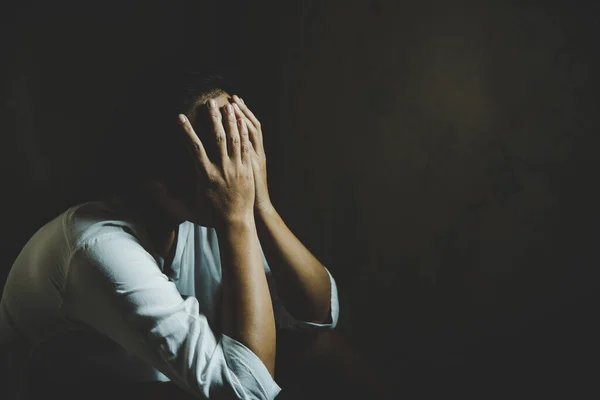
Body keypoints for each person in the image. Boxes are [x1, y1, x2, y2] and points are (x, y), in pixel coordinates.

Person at [0, 66, 340, 400]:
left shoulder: (205, 218)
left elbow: (317, 317)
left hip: (151, 383)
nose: (234, 164)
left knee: (319, 350)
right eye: (215, 147)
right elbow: (247, 392)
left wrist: (261, 205)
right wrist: (238, 217)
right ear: (155, 171)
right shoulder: (97, 246)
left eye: (238, 140)